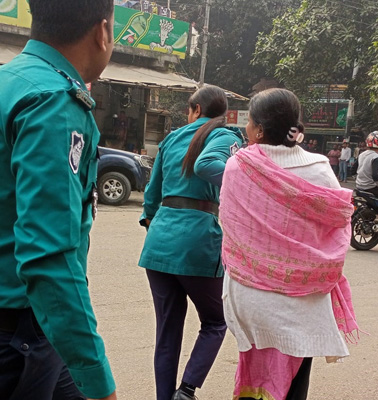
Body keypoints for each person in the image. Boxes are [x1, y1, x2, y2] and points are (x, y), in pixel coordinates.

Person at [0, 1, 117, 399]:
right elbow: (49, 258)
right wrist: (99, 383)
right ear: (103, 32)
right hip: (12, 348)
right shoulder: (55, 101)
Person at [219, 88, 360, 400]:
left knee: (255, 372)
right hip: (303, 301)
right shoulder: (320, 167)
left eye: (249, 122)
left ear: (257, 129)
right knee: (295, 385)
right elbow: (338, 224)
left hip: (250, 297)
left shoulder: (238, 166)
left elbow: (229, 224)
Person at [138, 85, 244, 400]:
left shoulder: (171, 139)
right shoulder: (226, 137)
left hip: (159, 243)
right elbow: (209, 167)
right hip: (198, 240)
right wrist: (248, 182)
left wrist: (155, 229)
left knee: (167, 331)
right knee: (215, 321)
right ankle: (185, 391)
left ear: (195, 109)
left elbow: (151, 196)